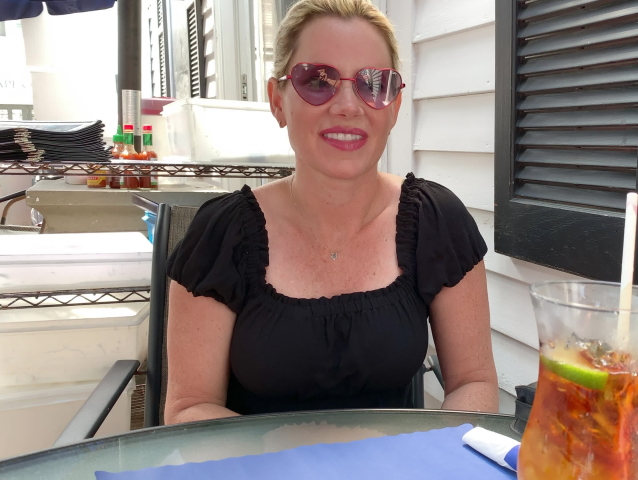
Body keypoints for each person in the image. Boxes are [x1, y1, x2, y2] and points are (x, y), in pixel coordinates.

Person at [163, 0, 499, 425]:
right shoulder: (221, 235)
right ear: (278, 100)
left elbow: (474, 383)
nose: (347, 105)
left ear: (394, 105)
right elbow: (190, 406)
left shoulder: (437, 221)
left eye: (372, 84)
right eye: (317, 81)